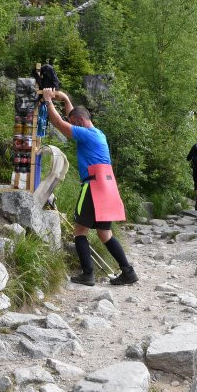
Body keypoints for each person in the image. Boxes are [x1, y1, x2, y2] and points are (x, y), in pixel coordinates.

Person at [42, 88, 138, 287]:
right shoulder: (97, 132)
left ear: (79, 122)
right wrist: (66, 99)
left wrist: (48, 101)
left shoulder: (85, 134)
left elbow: (60, 123)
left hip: (93, 185)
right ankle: (127, 271)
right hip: (108, 186)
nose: (72, 124)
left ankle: (88, 274)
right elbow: (73, 116)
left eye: (74, 122)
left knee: (80, 230)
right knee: (105, 234)